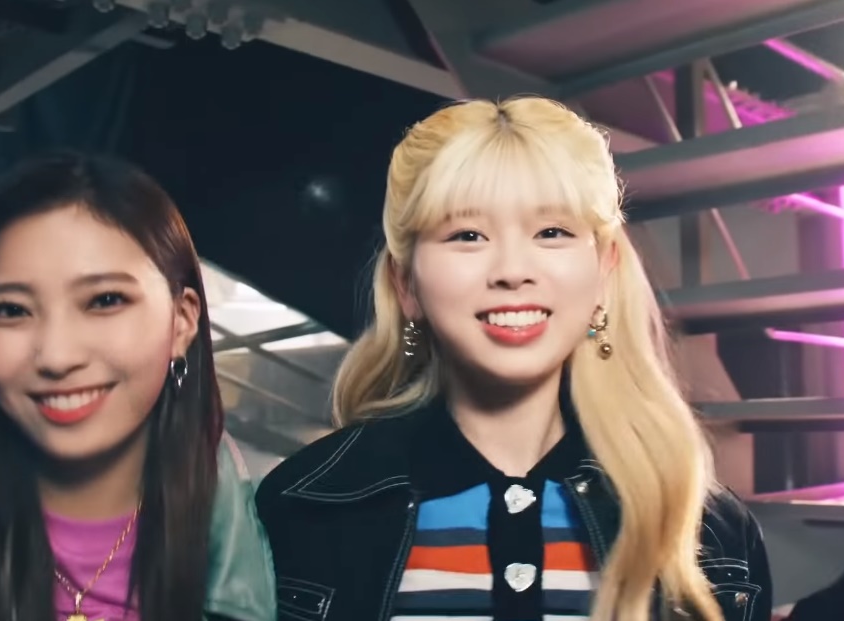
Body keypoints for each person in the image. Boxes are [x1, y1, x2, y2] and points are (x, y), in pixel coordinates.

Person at [255, 97, 772, 621]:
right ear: (405, 283)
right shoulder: (302, 506)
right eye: (467, 235)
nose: (511, 271)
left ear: (604, 270)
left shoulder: (710, 530)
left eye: (552, 232)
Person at [0, 153, 276, 621]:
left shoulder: (245, 527)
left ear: (181, 321)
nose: (57, 357)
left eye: (105, 300)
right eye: (11, 310)